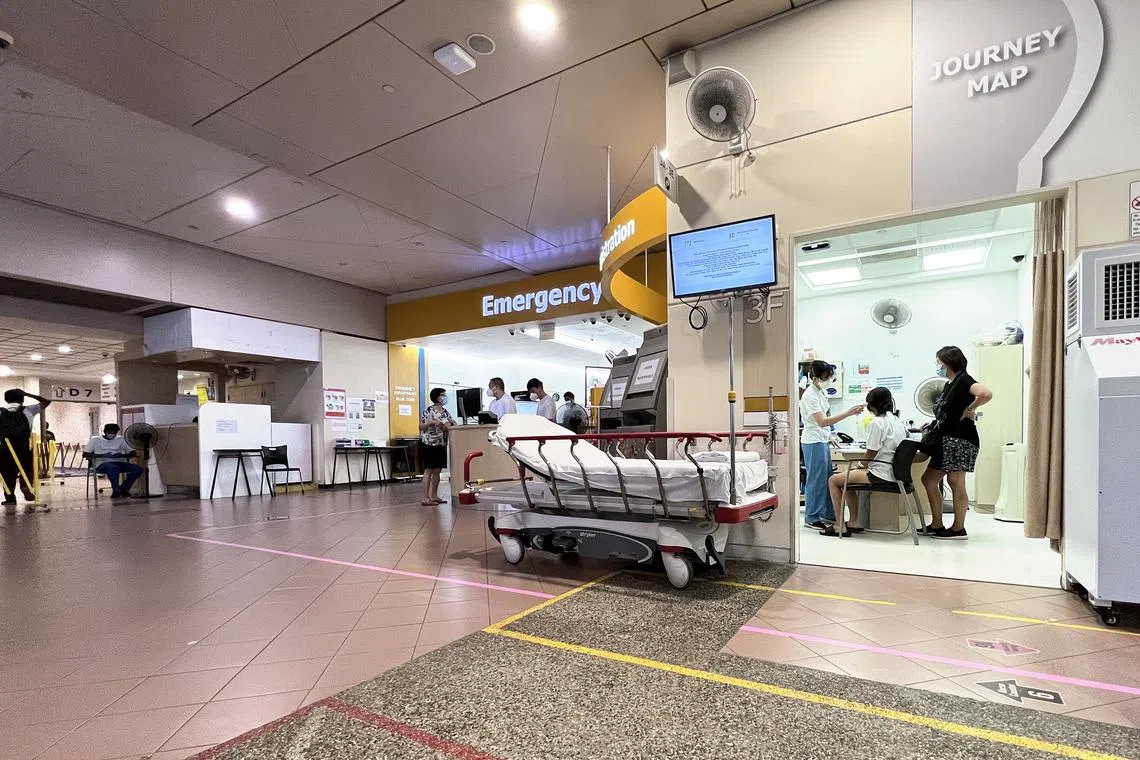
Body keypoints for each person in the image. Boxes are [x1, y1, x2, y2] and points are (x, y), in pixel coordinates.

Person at [920, 346, 993, 540]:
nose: (937, 366)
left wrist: (970, 409)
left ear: (948, 362)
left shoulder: (963, 380)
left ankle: (958, 528)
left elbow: (986, 393)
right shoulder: (948, 385)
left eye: (939, 362)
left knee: (955, 481)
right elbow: (948, 412)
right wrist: (933, 423)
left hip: (960, 439)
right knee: (929, 479)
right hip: (947, 439)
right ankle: (937, 524)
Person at [823, 387, 907, 537]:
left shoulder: (877, 423)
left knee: (833, 480)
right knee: (847, 481)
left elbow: (871, 453)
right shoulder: (897, 421)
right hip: (894, 472)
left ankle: (839, 525)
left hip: (880, 473)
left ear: (872, 405)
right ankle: (854, 522)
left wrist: (860, 465)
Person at [799, 361, 862, 529]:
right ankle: (812, 517)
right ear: (815, 377)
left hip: (821, 438)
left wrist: (829, 436)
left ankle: (827, 513)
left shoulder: (820, 392)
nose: (828, 380)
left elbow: (823, 422)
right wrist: (848, 413)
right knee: (816, 480)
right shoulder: (810, 395)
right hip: (813, 441)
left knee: (827, 478)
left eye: (829, 377)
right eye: (825, 378)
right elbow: (821, 421)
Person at [1, 388, 52, 513]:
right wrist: (28, 394)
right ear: (22, 399)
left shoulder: (1, 411)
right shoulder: (28, 409)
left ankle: (10, 497)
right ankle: (26, 487)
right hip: (24, 446)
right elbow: (46, 401)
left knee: (7, 474)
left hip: (5, 447)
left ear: (6, 399)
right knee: (28, 469)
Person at [84, 424, 143, 499]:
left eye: (114, 433)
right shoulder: (95, 440)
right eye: (110, 433)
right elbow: (85, 454)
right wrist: (103, 455)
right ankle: (116, 491)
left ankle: (123, 488)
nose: (112, 435)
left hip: (120, 462)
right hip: (102, 464)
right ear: (105, 432)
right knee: (113, 467)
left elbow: (133, 453)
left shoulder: (121, 439)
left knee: (138, 469)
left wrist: (121, 455)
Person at [419, 387, 455, 507]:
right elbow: (421, 426)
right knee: (429, 470)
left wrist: (448, 424)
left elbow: (452, 423)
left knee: (437, 471)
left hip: (441, 444)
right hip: (429, 444)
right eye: (443, 395)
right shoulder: (428, 411)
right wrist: (431, 423)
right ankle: (425, 498)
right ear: (437, 397)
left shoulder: (445, 412)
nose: (445, 397)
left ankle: (434, 496)